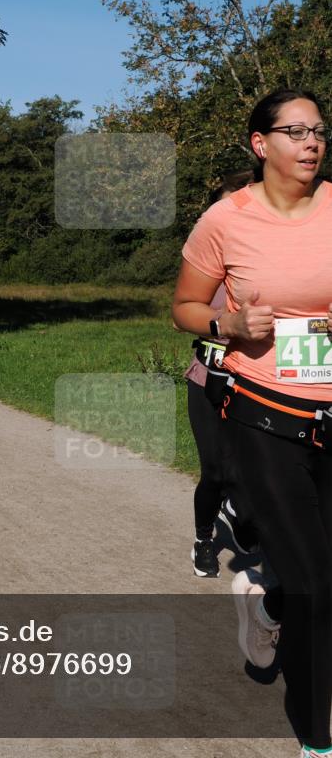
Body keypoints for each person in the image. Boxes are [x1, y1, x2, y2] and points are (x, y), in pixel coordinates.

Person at [173, 89, 331, 757]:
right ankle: (317, 739)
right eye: (296, 131)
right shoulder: (226, 219)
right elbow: (185, 305)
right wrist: (228, 323)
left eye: (319, 129)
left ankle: (265, 604)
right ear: (261, 144)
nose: (312, 141)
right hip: (266, 417)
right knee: (317, 588)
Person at [183, 171, 258, 578]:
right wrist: (227, 322)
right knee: (214, 470)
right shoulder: (203, 261)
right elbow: (180, 317)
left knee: (255, 469)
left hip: (255, 381)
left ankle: (241, 511)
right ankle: (204, 539)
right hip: (208, 378)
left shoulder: (269, 262)